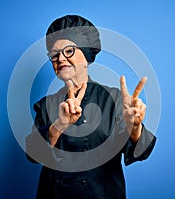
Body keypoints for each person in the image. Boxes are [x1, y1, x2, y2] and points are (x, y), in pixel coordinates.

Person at [26, 15, 156, 199]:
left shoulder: (115, 99)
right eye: (54, 55)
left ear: (86, 55)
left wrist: (135, 128)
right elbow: (33, 154)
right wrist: (59, 125)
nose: (60, 58)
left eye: (68, 51)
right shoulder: (46, 105)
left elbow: (142, 152)